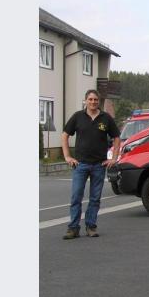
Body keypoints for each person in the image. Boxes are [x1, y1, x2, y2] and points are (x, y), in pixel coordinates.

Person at [61, 89, 120, 239]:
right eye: (90, 99)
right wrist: (67, 156)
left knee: (95, 199)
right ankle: (73, 228)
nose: (93, 102)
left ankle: (91, 227)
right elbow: (65, 135)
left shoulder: (105, 118)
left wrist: (114, 158)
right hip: (80, 165)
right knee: (76, 197)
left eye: (95, 100)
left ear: (98, 101)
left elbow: (117, 137)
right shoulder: (78, 117)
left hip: (99, 165)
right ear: (85, 101)